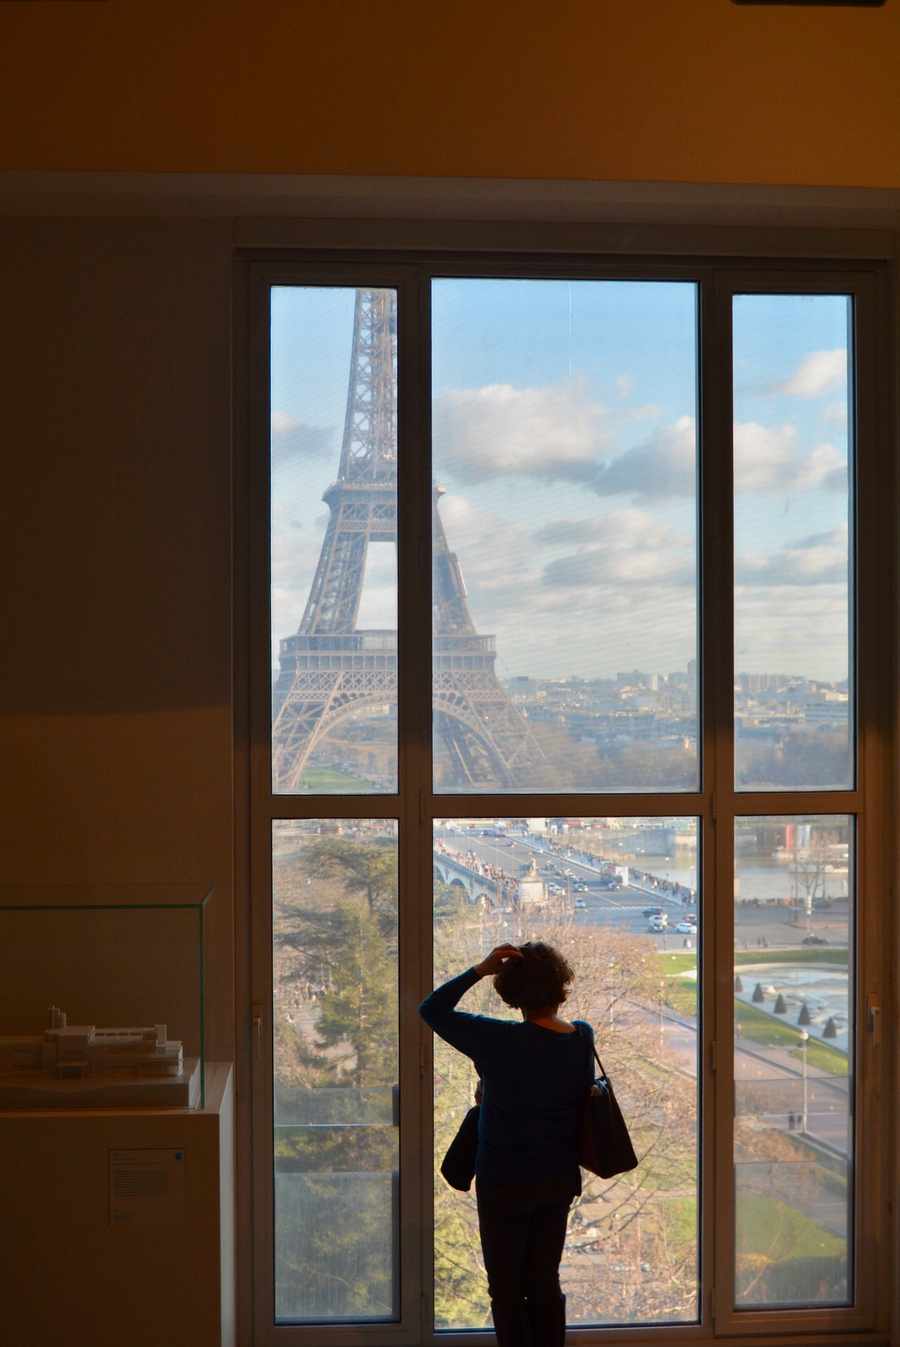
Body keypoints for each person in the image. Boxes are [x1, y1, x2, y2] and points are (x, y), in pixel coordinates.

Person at [419, 941, 594, 1347]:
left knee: (507, 1290)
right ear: (559, 985)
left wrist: (479, 970)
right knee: (544, 1282)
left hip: (504, 1183)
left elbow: (431, 1010)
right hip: (557, 1180)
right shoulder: (582, 1037)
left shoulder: (495, 1039)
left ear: (511, 992)